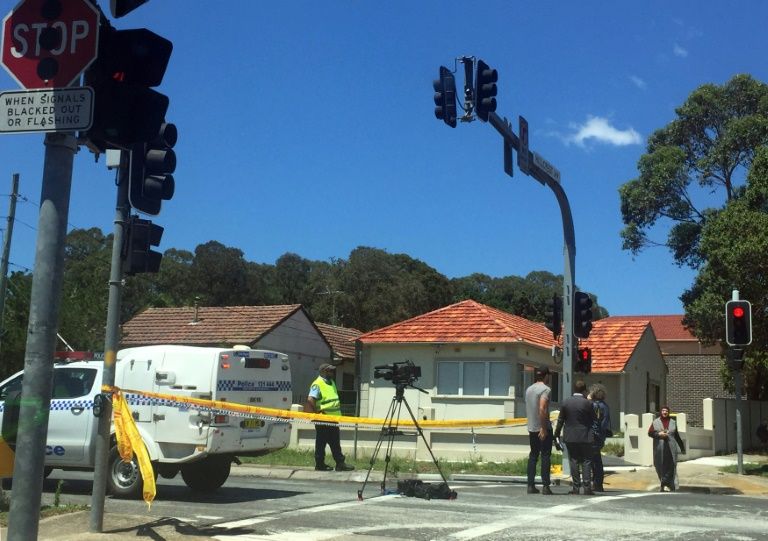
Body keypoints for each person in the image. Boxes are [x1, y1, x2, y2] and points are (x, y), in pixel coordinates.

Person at [304, 363, 354, 472]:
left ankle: (340, 463)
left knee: (335, 442)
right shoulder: (317, 384)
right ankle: (320, 464)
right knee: (321, 443)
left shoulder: (331, 383)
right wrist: (316, 414)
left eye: (332, 371)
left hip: (333, 419)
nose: (332, 373)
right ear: (323, 372)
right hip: (323, 418)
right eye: (329, 371)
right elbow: (310, 400)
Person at [554, 380, 596, 495]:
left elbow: (560, 420)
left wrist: (556, 434)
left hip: (570, 436)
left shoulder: (566, 402)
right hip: (585, 436)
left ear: (574, 389)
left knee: (574, 460)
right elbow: (594, 419)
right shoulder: (588, 403)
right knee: (587, 461)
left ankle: (576, 487)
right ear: (584, 390)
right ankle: (587, 488)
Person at [525, 367, 553, 495]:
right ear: (546, 376)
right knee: (545, 455)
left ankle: (530, 485)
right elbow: (542, 408)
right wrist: (543, 427)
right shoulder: (545, 389)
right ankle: (546, 486)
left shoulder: (529, 389)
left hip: (531, 427)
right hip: (542, 427)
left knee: (533, 455)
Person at [648, 405, 685, 492]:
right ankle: (663, 484)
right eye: (663, 411)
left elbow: (676, 436)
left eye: (666, 411)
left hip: (671, 449)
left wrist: (682, 447)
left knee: (671, 466)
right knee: (660, 466)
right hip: (660, 449)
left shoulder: (673, 422)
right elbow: (650, 433)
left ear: (668, 412)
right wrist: (659, 434)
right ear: (661, 412)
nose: (665, 412)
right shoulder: (655, 422)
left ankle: (670, 484)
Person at [588, 384, 612, 492]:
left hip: (594, 435)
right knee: (596, 460)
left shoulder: (594, 405)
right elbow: (605, 422)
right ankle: (598, 483)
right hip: (601, 436)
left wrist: (594, 432)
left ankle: (597, 483)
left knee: (595, 460)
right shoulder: (605, 406)